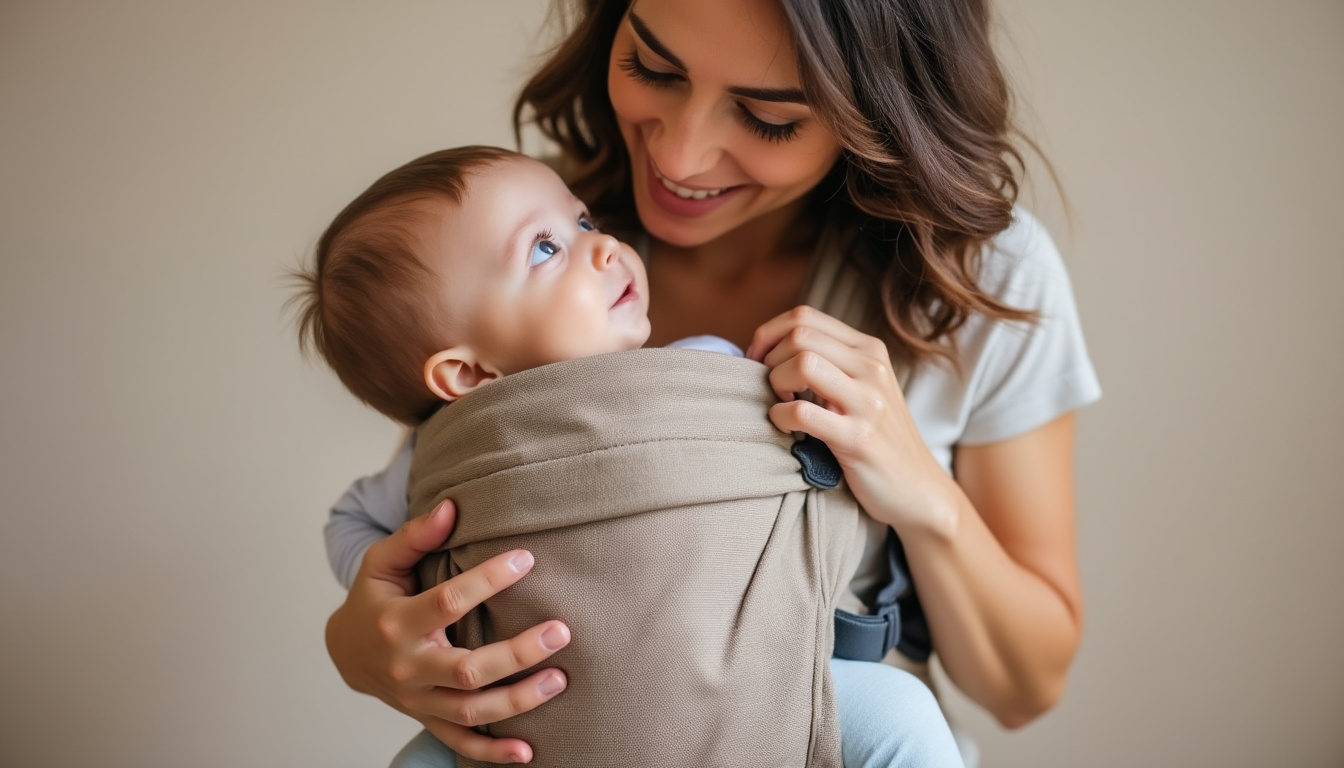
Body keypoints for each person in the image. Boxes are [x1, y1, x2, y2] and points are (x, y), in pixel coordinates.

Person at [323, 0, 1101, 765]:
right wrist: (363, 644)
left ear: (878, 111)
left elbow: (1023, 690)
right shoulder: (493, 237)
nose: (681, 156)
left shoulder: (983, 280)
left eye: (768, 119)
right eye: (653, 67)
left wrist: (920, 489)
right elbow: (426, 506)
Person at [297, 145, 965, 767]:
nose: (601, 247)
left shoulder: (712, 367)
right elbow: (354, 523)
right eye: (545, 249)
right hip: (540, 722)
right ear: (468, 378)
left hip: (767, 676)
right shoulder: (441, 455)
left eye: (583, 221)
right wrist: (393, 608)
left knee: (904, 716)